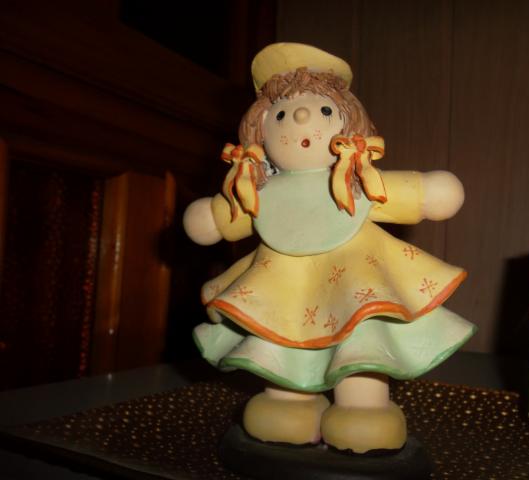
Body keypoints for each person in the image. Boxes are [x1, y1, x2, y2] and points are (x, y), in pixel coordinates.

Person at [183, 43, 475, 454]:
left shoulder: (357, 180)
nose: (300, 119)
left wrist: (427, 192)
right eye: (281, 114)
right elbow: (226, 217)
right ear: (260, 132)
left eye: (322, 110)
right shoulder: (261, 191)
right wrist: (212, 218)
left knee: (361, 341)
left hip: (356, 286)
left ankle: (363, 408)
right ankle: (289, 403)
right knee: (280, 338)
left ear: (349, 122)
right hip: (283, 290)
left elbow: (410, 194)